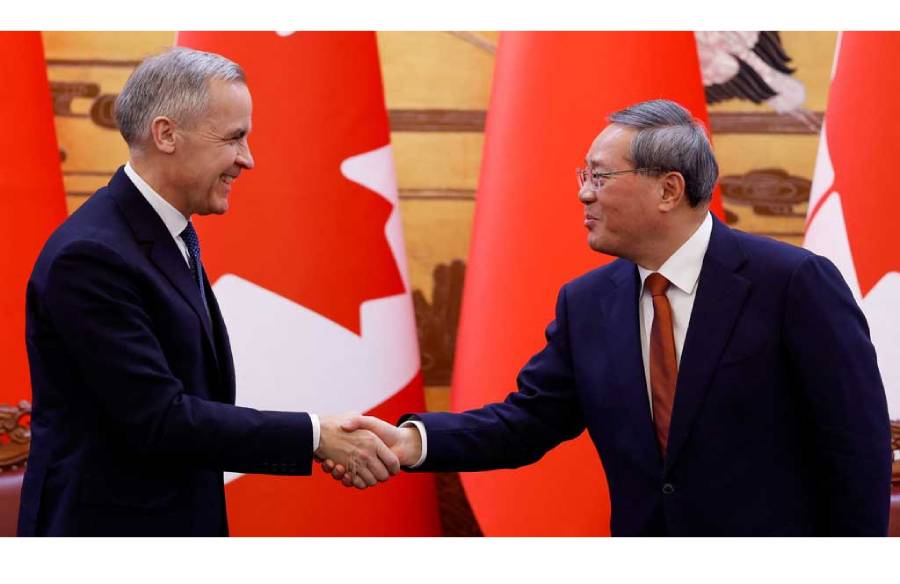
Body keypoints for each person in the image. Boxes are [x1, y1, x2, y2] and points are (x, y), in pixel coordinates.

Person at [323, 99, 893, 536]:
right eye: (584, 177)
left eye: (599, 177)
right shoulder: (587, 302)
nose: (583, 195)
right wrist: (410, 441)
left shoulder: (792, 283)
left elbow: (856, 448)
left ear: (668, 190)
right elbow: (525, 422)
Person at [18, 48, 398, 536]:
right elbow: (158, 419)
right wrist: (315, 435)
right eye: (234, 138)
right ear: (166, 134)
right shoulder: (91, 256)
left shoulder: (161, 233)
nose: (247, 159)